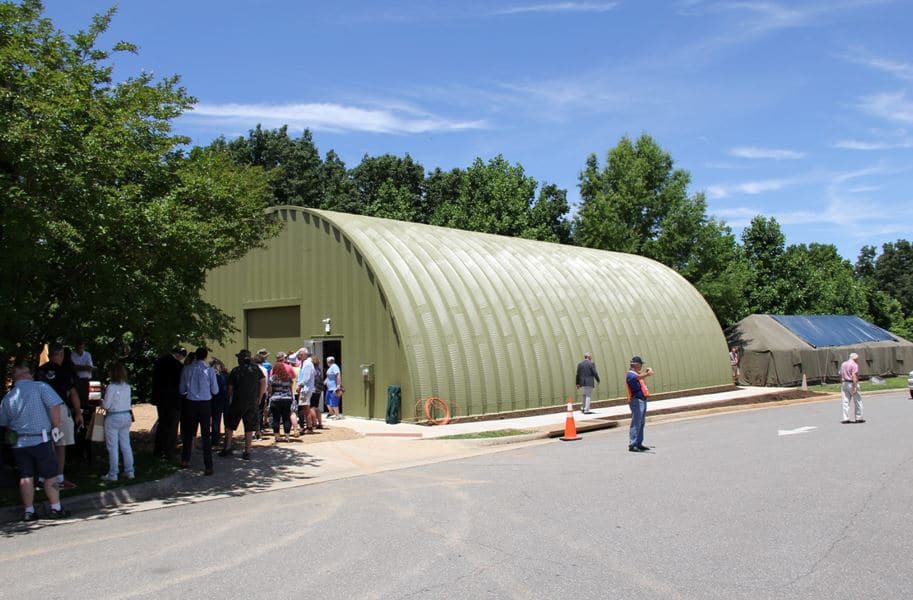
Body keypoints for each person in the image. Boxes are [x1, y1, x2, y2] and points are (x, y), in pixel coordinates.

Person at [0, 361, 70, 521]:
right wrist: (56, 426)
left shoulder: (9, 397)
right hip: (41, 439)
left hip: (19, 443)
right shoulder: (40, 387)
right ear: (24, 374)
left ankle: (29, 511)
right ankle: (55, 507)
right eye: (29, 373)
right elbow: (55, 406)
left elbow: (4, 422)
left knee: (26, 476)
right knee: (50, 475)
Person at [36, 344, 82, 489]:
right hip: (60, 409)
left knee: (45, 444)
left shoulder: (40, 371)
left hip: (42, 410)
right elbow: (73, 393)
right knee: (60, 445)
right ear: (61, 355)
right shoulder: (64, 372)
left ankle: (43, 477)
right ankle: (59, 477)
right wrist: (78, 413)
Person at [179, 347, 219, 475]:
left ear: (196, 355)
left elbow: (181, 389)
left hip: (191, 403)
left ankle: (185, 459)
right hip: (205, 404)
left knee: (189, 433)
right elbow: (215, 390)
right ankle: (208, 465)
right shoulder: (209, 370)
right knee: (206, 434)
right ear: (206, 356)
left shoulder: (187, 369)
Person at [220, 349, 266, 460]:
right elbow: (263, 382)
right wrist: (259, 397)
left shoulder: (236, 371)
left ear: (241, 359)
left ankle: (227, 448)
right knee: (249, 427)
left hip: (237, 401)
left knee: (230, 425)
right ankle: (247, 451)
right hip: (252, 402)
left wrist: (229, 399)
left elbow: (230, 388)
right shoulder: (256, 370)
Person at [101, 362, 134, 482]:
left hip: (114, 417)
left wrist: (101, 401)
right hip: (126, 415)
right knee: (126, 444)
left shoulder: (111, 387)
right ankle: (129, 471)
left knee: (113, 446)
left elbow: (106, 405)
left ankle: (113, 473)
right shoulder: (127, 386)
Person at [151, 347, 187, 461]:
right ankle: (169, 451)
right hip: (173, 400)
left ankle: (158, 449)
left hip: (160, 399)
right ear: (180, 355)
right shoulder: (178, 366)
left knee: (162, 422)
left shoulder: (159, 362)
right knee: (172, 426)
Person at [626, 356, 654, 452]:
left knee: (641, 423)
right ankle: (632, 444)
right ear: (636, 364)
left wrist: (646, 372)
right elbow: (637, 377)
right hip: (636, 401)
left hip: (642, 400)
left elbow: (640, 375)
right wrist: (647, 374)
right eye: (640, 364)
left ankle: (638, 443)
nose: (641, 366)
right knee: (636, 423)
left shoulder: (636, 373)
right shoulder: (630, 374)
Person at [268, 352, 295, 442]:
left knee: (276, 418)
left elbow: (270, 389)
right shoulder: (288, 377)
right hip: (287, 399)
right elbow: (291, 388)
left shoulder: (273, 378)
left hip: (275, 399)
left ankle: (277, 437)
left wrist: (270, 396)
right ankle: (287, 436)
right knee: (286, 418)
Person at [296, 348, 317, 432]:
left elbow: (306, 378)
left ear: (305, 355)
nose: (299, 356)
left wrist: (300, 385)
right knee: (306, 407)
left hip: (305, 389)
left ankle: (309, 426)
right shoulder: (305, 363)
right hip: (305, 389)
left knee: (306, 407)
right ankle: (309, 425)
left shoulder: (307, 364)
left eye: (300, 355)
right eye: (299, 355)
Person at [840, 352, 865, 424]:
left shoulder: (843, 364)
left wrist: (842, 382)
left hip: (844, 383)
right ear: (855, 358)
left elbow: (840, 373)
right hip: (851, 383)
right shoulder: (854, 365)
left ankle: (845, 418)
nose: (858, 360)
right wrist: (855, 386)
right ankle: (858, 417)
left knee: (845, 401)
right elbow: (854, 376)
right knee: (857, 401)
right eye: (857, 359)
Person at [210, 358, 229, 447]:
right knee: (226, 421)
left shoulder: (213, 375)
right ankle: (227, 439)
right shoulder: (226, 375)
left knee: (215, 420)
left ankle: (215, 439)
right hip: (226, 399)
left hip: (216, 400)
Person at [311, 354, 325, 429]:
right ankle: (320, 423)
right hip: (319, 390)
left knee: (311, 407)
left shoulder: (312, 370)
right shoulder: (319, 369)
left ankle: (314, 423)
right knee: (316, 407)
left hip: (313, 390)